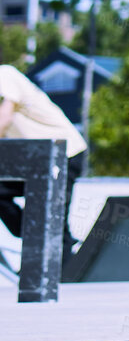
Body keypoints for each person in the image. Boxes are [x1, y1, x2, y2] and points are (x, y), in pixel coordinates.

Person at [0, 64, 87, 254]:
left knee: (53, 214)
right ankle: (36, 235)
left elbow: (4, 117)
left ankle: (63, 262)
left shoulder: (4, 74)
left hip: (63, 152)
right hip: (33, 160)